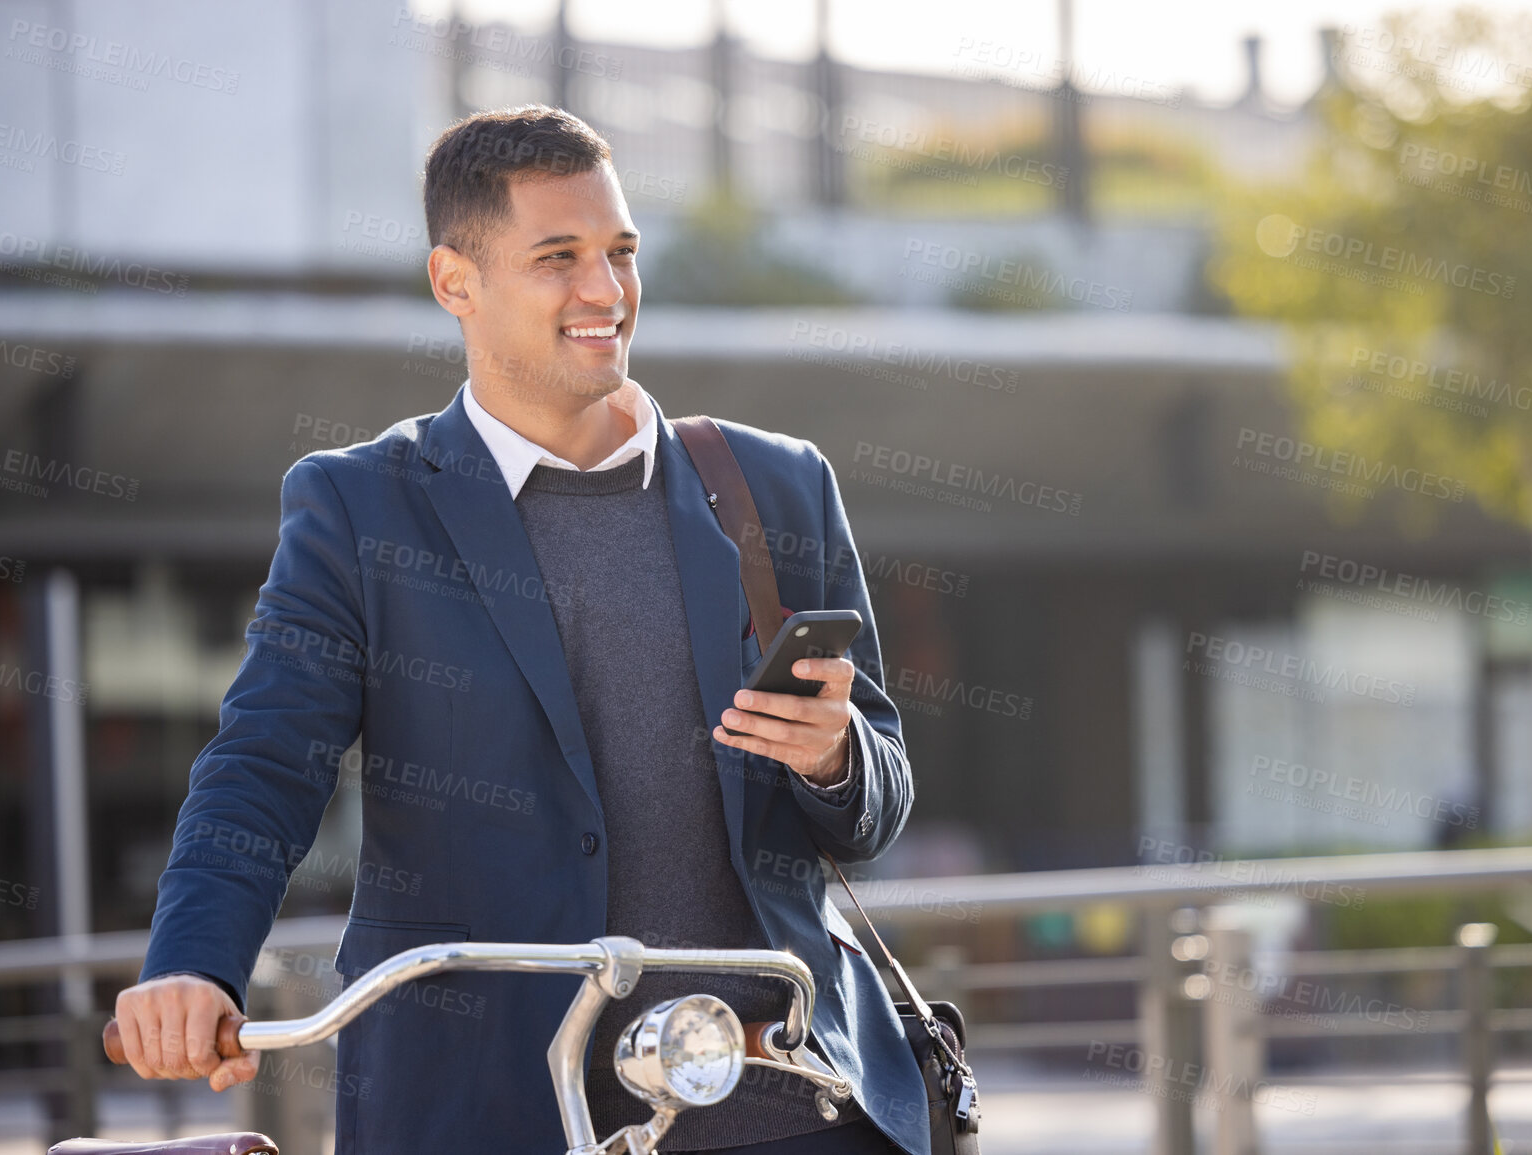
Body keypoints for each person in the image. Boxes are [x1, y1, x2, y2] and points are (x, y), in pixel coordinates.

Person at [113, 105, 927, 1155]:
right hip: (491, 1110)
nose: (606, 291)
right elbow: (266, 762)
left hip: (782, 1105)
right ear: (456, 283)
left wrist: (835, 759)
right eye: (558, 257)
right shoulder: (361, 509)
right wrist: (194, 963)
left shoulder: (775, 486)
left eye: (620, 253)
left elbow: (879, 797)